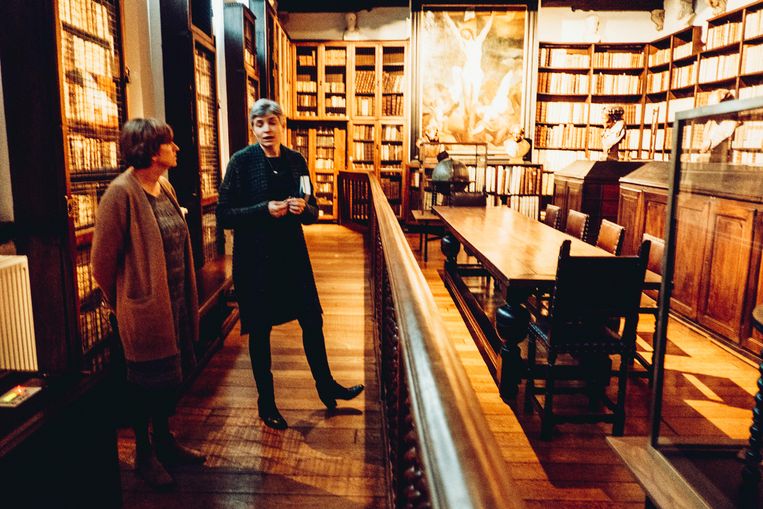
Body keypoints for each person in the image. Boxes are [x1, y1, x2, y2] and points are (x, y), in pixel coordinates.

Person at [217, 98, 364, 431]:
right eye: (259, 123)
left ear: (282, 124)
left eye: (272, 122)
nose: (266, 129)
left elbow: (314, 211)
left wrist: (304, 209)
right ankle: (266, 403)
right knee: (260, 331)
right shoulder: (240, 162)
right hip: (255, 261)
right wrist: (263, 209)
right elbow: (224, 214)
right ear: (253, 127)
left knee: (312, 320)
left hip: (292, 257)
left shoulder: (296, 160)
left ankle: (327, 387)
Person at [92, 118, 206, 490]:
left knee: (168, 380)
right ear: (152, 150)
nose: (177, 149)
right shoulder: (120, 194)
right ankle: (144, 453)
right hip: (145, 308)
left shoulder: (165, 187)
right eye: (170, 144)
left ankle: (165, 441)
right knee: (144, 384)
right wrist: (125, 302)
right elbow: (101, 263)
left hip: (174, 302)